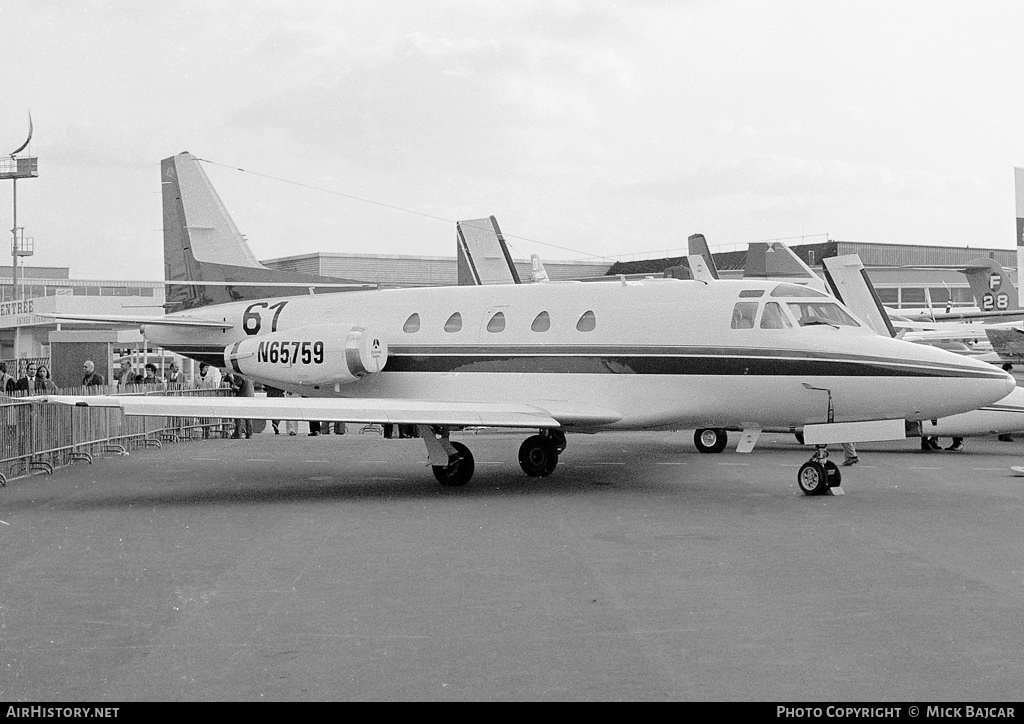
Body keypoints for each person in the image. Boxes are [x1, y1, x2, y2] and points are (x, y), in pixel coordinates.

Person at [230, 373, 255, 439]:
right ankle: (249, 433)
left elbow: (236, 387)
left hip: (242, 397)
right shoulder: (250, 376)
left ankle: (238, 433)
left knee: (239, 416)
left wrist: (232, 385)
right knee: (248, 416)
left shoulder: (241, 376)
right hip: (250, 397)